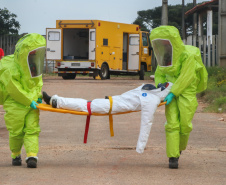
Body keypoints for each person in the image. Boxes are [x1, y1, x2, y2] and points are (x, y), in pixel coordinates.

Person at [43, 82, 173, 154]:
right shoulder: (147, 88)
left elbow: (147, 123)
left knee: (84, 105)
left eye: (164, 85)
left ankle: (55, 101)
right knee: (85, 104)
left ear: (164, 91)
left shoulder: (152, 99)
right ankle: (56, 100)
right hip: (111, 101)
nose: (161, 83)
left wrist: (140, 147)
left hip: (110, 106)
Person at [150, 26, 208, 169]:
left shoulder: (188, 56)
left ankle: (179, 147)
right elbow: (159, 74)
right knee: (172, 124)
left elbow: (186, 77)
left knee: (185, 125)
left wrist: (173, 92)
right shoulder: (164, 56)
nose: (163, 46)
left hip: (186, 92)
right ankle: (173, 156)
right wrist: (161, 88)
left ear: (173, 42)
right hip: (170, 92)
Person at [0, 33, 46, 168]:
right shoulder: (9, 69)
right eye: (32, 53)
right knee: (16, 132)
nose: (35, 56)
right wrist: (28, 100)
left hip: (32, 103)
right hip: (15, 104)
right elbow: (14, 89)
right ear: (24, 54)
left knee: (32, 129)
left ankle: (32, 156)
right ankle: (15, 154)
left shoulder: (33, 65)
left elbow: (37, 81)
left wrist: (38, 95)